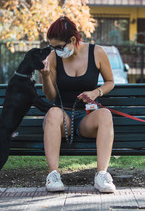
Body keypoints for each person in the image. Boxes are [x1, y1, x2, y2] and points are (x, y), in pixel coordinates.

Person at [40, 16, 116, 193]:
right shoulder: (53, 58)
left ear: (73, 40)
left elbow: (110, 81)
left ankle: (102, 175)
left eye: (59, 47)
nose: (56, 50)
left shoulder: (96, 53)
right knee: (52, 112)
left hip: (87, 117)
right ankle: (53, 175)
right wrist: (45, 77)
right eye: (53, 47)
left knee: (105, 115)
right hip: (62, 118)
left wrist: (95, 92)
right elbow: (51, 95)